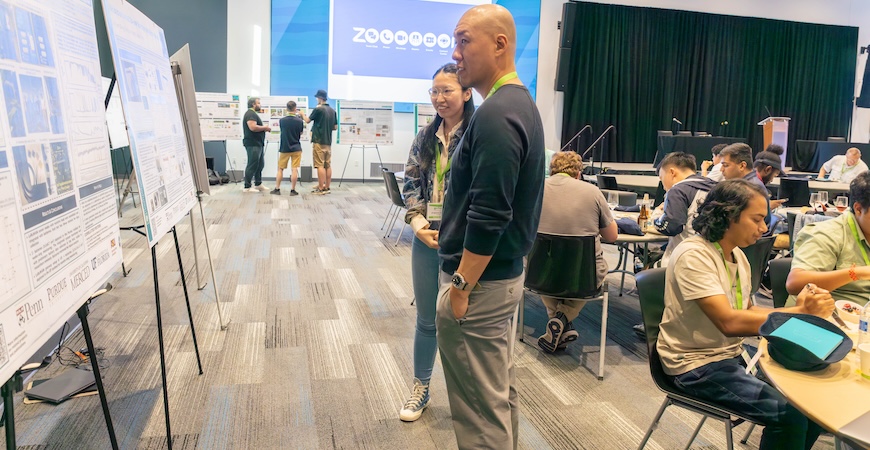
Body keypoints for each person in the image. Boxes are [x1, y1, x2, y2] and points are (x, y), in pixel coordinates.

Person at [435, 5, 544, 449]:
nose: (455, 53)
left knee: (479, 413)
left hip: (478, 287)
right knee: (494, 398)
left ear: (500, 44)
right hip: (496, 281)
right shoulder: (513, 104)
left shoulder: (498, 113)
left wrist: (460, 287)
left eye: (464, 41)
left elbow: (490, 214)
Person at [657, 179, 831, 450]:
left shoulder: (737, 255)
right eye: (757, 219)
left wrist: (797, 313)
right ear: (728, 215)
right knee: (790, 416)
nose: (764, 228)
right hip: (694, 365)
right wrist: (799, 312)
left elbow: (748, 311)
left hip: (729, 356)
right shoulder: (694, 255)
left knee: (814, 404)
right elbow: (729, 322)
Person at [399, 63, 473, 422]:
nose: (439, 98)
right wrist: (416, 221)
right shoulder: (425, 136)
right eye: (434, 91)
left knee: (463, 323)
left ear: (466, 92)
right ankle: (421, 388)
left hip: (464, 241)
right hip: (426, 235)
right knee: (426, 319)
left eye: (447, 90)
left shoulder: (478, 133)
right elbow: (411, 181)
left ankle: (467, 397)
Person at [535, 151, 617, 353]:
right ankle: (563, 320)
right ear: (578, 173)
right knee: (593, 268)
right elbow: (612, 235)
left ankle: (558, 323)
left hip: (539, 273)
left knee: (546, 267)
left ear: (551, 170)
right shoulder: (592, 192)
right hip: (582, 275)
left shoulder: (534, 190)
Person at [785, 171, 870, 307]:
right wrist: (856, 273)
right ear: (858, 209)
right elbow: (795, 283)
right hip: (827, 319)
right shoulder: (828, 233)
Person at [654, 152, 716, 259]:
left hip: (687, 257)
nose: (663, 186)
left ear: (672, 172)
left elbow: (671, 227)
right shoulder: (716, 186)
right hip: (715, 254)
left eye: (662, 178)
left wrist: (655, 217)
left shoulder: (677, 190)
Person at [302, 90, 337, 195]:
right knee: (327, 165)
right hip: (328, 142)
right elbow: (335, 127)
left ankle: (321, 188)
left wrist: (302, 114)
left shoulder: (318, 109)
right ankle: (327, 186)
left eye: (317, 98)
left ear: (320, 98)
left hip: (318, 141)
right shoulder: (332, 111)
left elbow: (307, 120)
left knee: (320, 165)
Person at [271, 101, 304, 196]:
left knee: (280, 169)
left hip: (284, 147)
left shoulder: (282, 120)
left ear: (287, 109)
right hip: (296, 148)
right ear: (295, 108)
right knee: (294, 169)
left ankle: (277, 189)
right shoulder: (299, 121)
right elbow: (300, 133)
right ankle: (293, 190)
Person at [242, 97, 271, 192]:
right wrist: (264, 128)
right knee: (252, 164)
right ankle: (247, 187)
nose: (260, 105)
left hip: (258, 143)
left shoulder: (253, 114)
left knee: (260, 164)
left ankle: (258, 184)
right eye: (258, 103)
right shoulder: (250, 114)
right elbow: (252, 127)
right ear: (253, 104)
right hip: (252, 143)